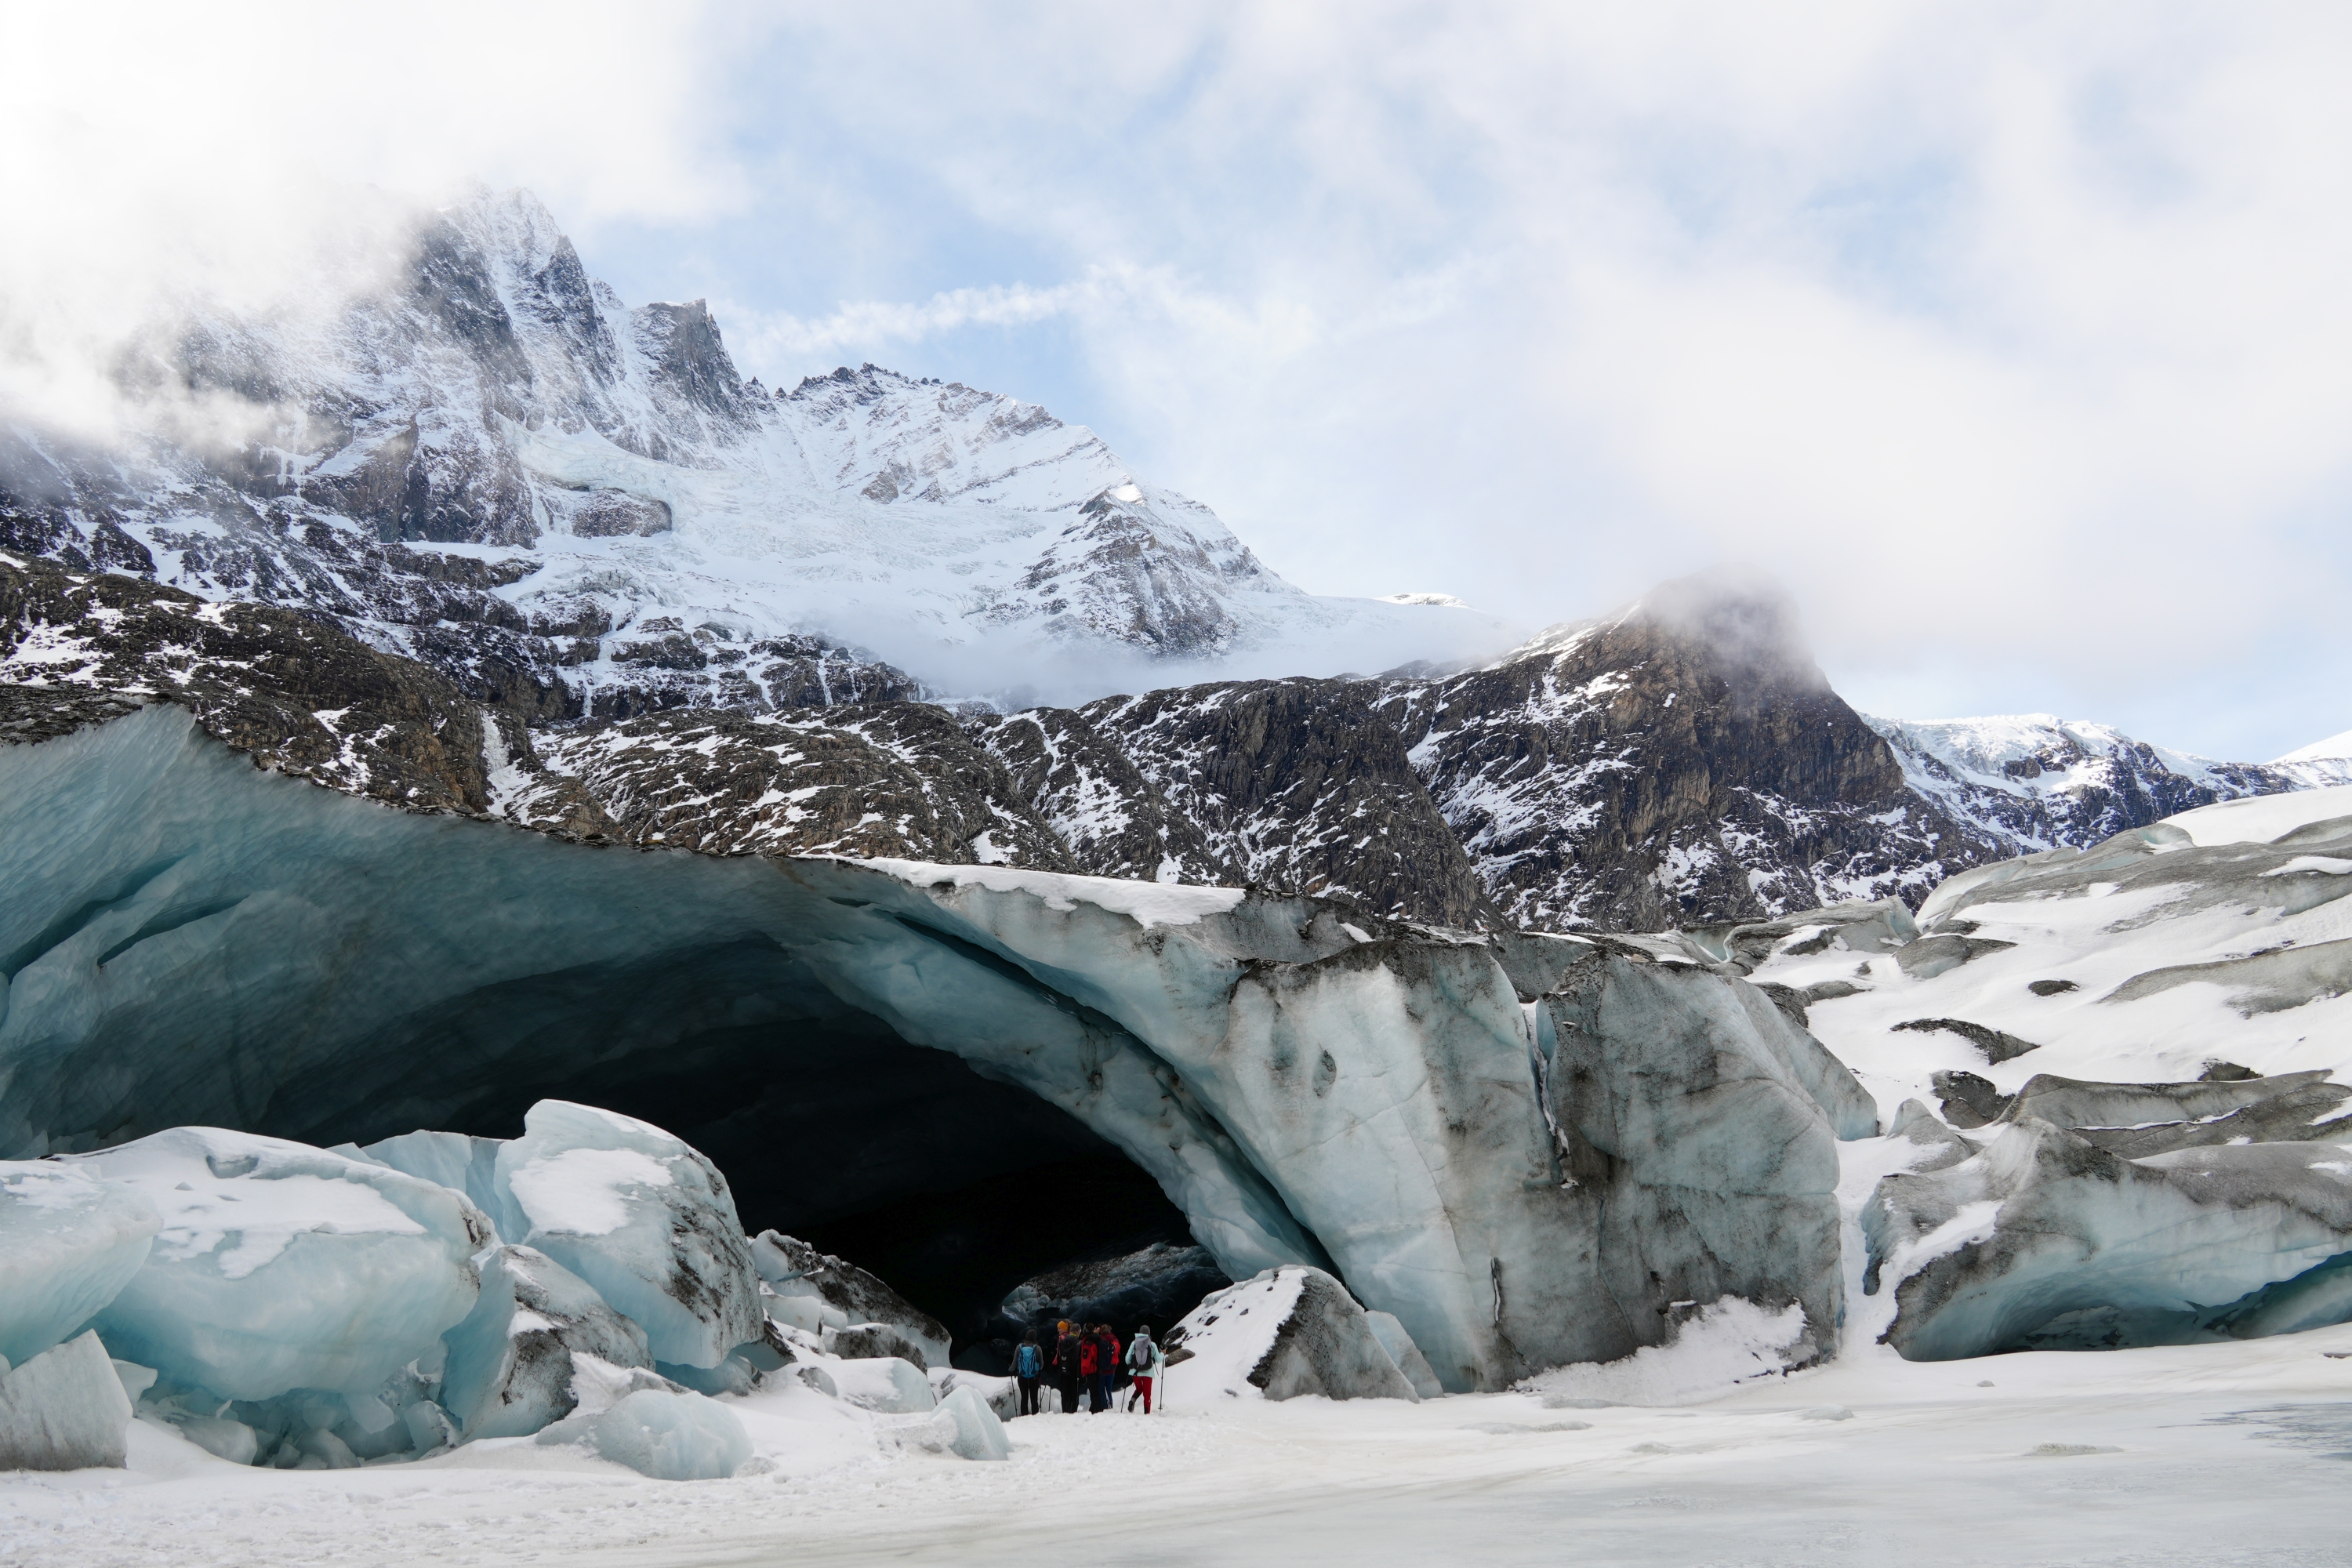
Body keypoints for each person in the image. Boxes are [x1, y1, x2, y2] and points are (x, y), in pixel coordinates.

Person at [1125, 1323, 1158, 1414]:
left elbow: (1127, 1359)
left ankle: (1132, 1401)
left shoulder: (1134, 1343)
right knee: (1147, 1394)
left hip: (1135, 1372)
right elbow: (1158, 1359)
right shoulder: (1152, 1344)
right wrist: (1163, 1354)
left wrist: (1131, 1365)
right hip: (1148, 1372)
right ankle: (1147, 1413)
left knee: (1139, 1388)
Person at [1053, 1320, 1081, 1414]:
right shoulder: (1078, 1342)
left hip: (1063, 1370)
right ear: (1078, 1332)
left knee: (1064, 1392)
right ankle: (1073, 1411)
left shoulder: (1062, 1340)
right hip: (1074, 1371)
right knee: (1074, 1392)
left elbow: (1059, 1354)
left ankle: (1065, 1410)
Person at [1013, 1331, 1044, 1417]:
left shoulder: (1019, 1347)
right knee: (1034, 1399)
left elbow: (1014, 1364)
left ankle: (1024, 1417)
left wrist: (1011, 1369)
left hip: (1022, 1377)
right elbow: (1041, 1365)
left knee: (1024, 1398)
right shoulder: (1037, 1348)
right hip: (1034, 1377)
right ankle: (1035, 1417)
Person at [1094, 1323, 1121, 1414]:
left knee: (1102, 1389)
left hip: (1103, 1369)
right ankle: (1111, 1405)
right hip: (1113, 1368)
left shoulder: (1101, 1340)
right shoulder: (1115, 1339)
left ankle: (1105, 1407)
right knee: (1108, 1389)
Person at [1077, 1323, 1102, 1411]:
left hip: (1090, 1370)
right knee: (1095, 1390)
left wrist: (1083, 1373)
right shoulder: (1095, 1339)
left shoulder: (1088, 1343)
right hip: (1096, 1369)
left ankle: (1097, 1409)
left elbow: (1086, 1359)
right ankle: (1095, 1407)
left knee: (1093, 1391)